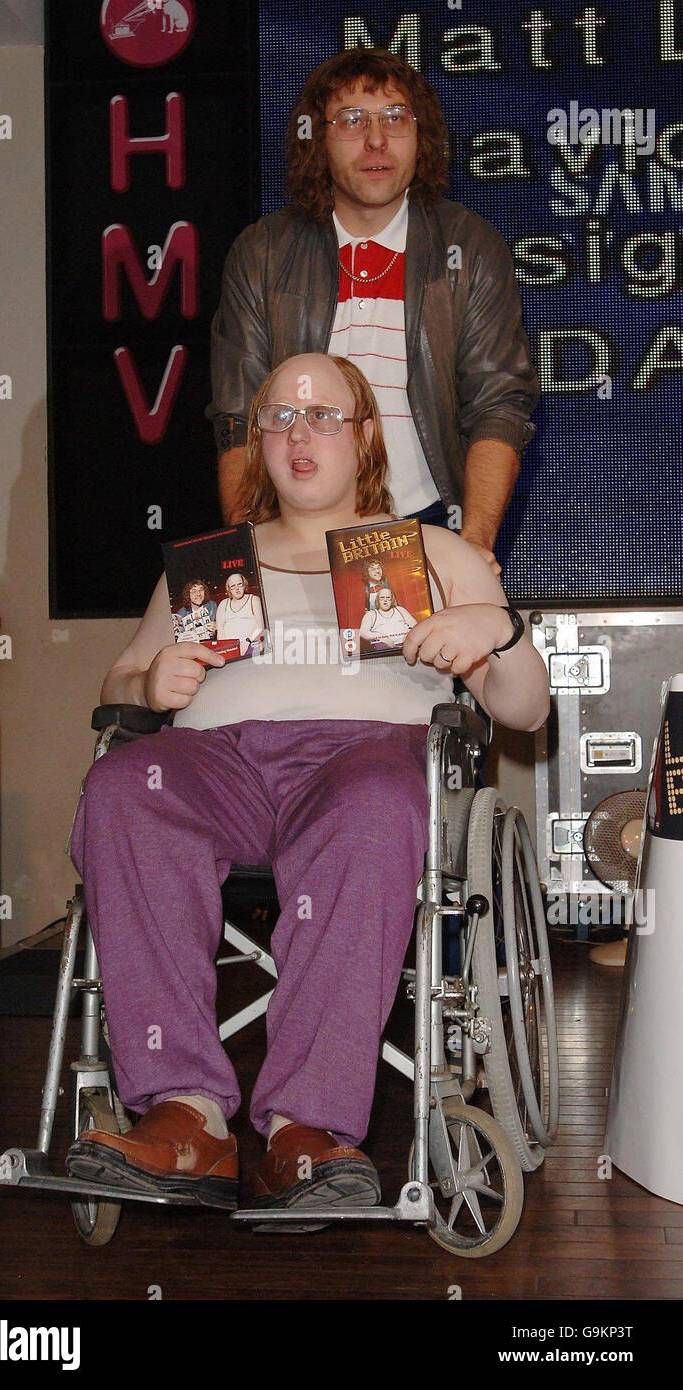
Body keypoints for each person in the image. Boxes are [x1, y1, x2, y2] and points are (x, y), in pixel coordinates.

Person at [66, 353, 550, 1224]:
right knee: (123, 784)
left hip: (365, 761)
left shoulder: (429, 551)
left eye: (324, 415)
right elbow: (121, 680)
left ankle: (307, 1127)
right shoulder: (216, 561)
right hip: (219, 767)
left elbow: (524, 712)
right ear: (256, 441)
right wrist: (145, 685)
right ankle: (186, 1116)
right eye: (279, 417)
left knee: (369, 805)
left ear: (365, 434)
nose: (299, 433)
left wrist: (495, 631)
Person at [208, 46, 539, 574]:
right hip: (295, 530)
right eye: (352, 119)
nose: (377, 139)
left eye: (395, 117)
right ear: (316, 139)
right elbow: (238, 416)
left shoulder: (469, 245)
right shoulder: (263, 251)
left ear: (421, 136)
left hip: (430, 526)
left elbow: (499, 405)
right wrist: (254, 559)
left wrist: (473, 547)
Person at [214, 572, 265, 655]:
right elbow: (220, 630)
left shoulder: (254, 600)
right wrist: (227, 648)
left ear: (244, 585)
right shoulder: (223, 604)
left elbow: (260, 624)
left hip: (251, 643)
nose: (237, 588)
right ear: (229, 589)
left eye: (239, 584)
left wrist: (247, 642)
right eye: (233, 586)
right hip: (230, 648)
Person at [359, 585, 415, 652]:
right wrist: (382, 637)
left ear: (392, 600)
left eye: (388, 598)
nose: (385, 600)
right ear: (378, 600)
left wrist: (408, 635)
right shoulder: (371, 614)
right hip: (384, 649)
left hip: (406, 646)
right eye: (382, 598)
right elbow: (362, 632)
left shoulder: (400, 609)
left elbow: (414, 625)